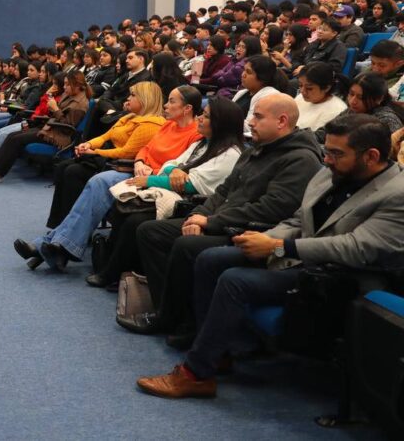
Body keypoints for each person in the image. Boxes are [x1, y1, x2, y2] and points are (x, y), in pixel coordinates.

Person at [136, 114, 404, 399]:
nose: (326, 160)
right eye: (327, 151)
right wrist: (264, 240)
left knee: (235, 280)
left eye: (337, 154)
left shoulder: (396, 194)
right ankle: (220, 351)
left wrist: (278, 247)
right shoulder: (333, 172)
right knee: (210, 258)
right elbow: (300, 219)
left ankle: (196, 375)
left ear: (371, 156)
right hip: (303, 257)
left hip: (345, 275)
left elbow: (357, 247)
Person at [125, 94, 323, 342]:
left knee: (187, 245)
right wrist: (197, 216)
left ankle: (182, 322)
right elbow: (223, 192)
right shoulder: (257, 150)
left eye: (258, 117)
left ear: (282, 121)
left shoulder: (300, 159)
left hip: (254, 232)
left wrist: (210, 222)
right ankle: (172, 310)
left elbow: (271, 209)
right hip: (223, 220)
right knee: (150, 231)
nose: (250, 122)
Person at [14, 86, 202, 270]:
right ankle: (56, 246)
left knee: (96, 180)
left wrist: (150, 171)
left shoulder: (193, 134)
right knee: (89, 178)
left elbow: (179, 167)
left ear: (187, 109)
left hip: (152, 180)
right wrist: (140, 162)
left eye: (171, 101)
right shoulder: (168, 125)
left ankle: (51, 246)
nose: (166, 105)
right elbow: (144, 149)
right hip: (136, 169)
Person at [86, 97, 245, 289]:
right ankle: (119, 271)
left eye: (206, 116)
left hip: (196, 206)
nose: (200, 119)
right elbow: (171, 164)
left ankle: (112, 273)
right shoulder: (203, 144)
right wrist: (177, 171)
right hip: (175, 195)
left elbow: (191, 185)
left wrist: (156, 178)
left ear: (221, 123)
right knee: (123, 209)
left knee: (135, 221)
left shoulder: (230, 154)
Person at [43, 81, 166, 229]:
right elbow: (105, 136)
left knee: (73, 172)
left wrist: (95, 152)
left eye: (133, 95)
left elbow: (126, 152)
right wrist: (88, 144)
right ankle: (59, 225)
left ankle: (72, 228)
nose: (128, 98)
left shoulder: (150, 124)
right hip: (108, 159)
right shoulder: (129, 117)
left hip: (121, 165)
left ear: (145, 99)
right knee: (64, 166)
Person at [0, 71, 89, 182]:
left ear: (77, 85)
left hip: (58, 136)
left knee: (16, 139)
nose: (64, 87)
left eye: (67, 84)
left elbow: (67, 127)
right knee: (12, 135)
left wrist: (56, 109)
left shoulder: (80, 104)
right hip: (50, 128)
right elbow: (57, 116)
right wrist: (53, 108)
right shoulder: (70, 95)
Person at [230, 55, 289, 137]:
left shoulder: (269, 96)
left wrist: (224, 117)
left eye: (249, 72)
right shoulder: (242, 92)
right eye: (244, 70)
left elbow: (250, 127)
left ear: (262, 77)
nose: (243, 75)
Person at [294, 62, 348, 131]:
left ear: (326, 88)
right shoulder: (300, 98)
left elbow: (316, 138)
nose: (302, 91)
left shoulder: (336, 110)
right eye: (300, 85)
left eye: (309, 88)